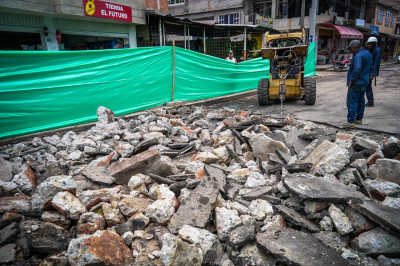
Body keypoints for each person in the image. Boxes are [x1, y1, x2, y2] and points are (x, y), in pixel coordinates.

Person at [340, 40, 372, 129]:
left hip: (357, 82)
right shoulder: (367, 54)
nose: (350, 51)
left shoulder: (358, 55)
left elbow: (357, 68)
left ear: (354, 48)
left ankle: (350, 122)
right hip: (364, 81)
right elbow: (370, 66)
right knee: (361, 100)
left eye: (351, 49)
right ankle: (358, 119)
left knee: (352, 101)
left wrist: (352, 80)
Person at [365, 36, 382, 107]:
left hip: (371, 72)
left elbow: (376, 63)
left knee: (368, 86)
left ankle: (371, 101)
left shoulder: (377, 50)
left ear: (373, 44)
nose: (368, 46)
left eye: (370, 44)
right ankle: (370, 100)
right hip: (368, 71)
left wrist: (373, 74)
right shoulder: (371, 50)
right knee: (367, 86)